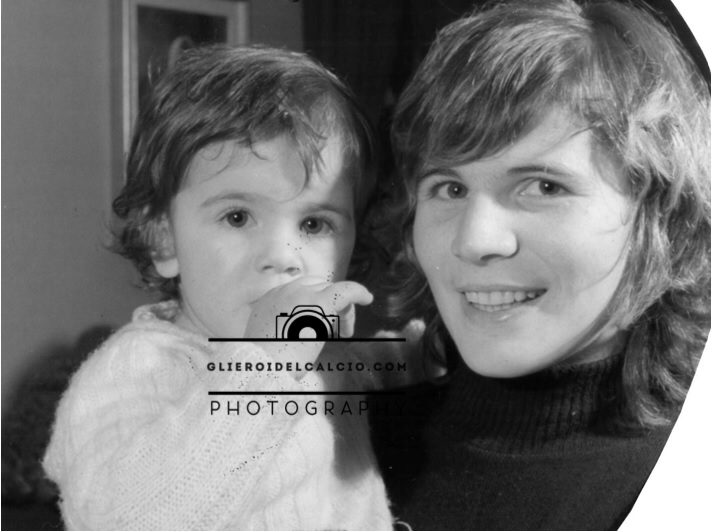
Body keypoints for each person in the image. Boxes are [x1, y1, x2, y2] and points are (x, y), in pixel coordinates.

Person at [43, 45, 420, 530]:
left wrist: (416, 354)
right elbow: (123, 519)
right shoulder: (133, 370)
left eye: (314, 224)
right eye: (238, 217)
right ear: (163, 238)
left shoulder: (324, 356)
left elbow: (368, 373)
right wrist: (262, 367)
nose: (284, 255)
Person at [372, 0, 710, 529]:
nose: (475, 241)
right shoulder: (339, 446)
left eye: (544, 186)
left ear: (660, 217)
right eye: (450, 188)